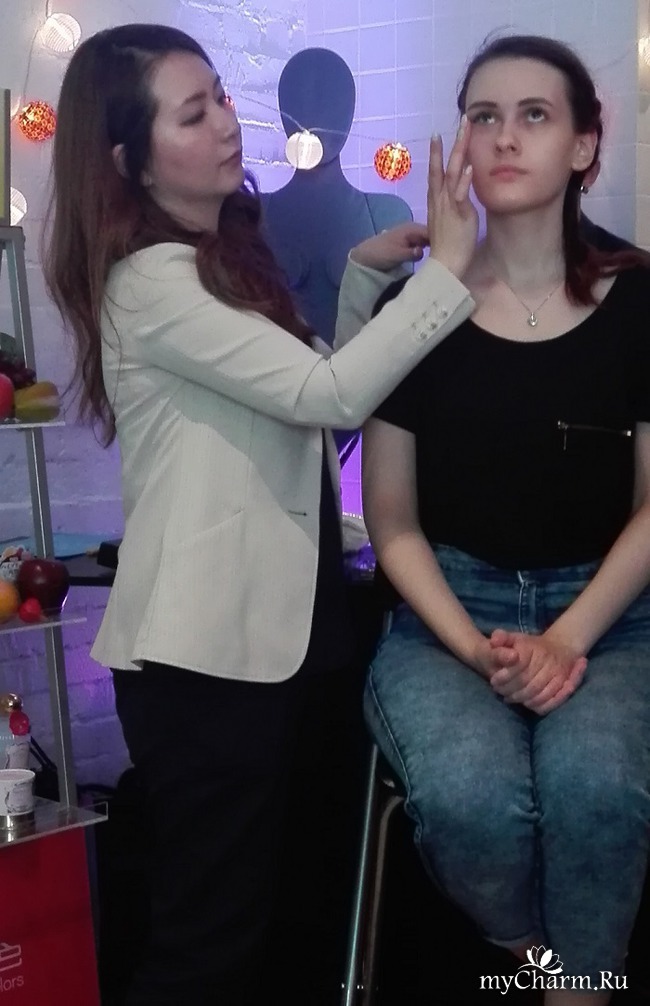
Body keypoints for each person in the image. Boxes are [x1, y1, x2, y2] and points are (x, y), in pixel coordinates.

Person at [43, 23, 480, 1006]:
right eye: (192, 112)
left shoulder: (216, 261)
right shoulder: (152, 280)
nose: (227, 124)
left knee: (267, 933)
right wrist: (449, 276)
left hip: (268, 646)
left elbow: (316, 408)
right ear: (129, 159)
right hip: (204, 665)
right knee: (206, 952)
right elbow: (331, 393)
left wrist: (362, 277)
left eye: (220, 97)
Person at [359, 34, 650, 1006]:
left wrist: (565, 640)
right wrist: (478, 649)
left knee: (596, 792)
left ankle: (578, 991)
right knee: (473, 803)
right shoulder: (413, 310)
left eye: (533, 114)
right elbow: (391, 521)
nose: (502, 136)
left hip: (607, 613)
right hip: (446, 612)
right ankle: (537, 960)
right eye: (482, 116)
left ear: (583, 145)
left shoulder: (639, 298)